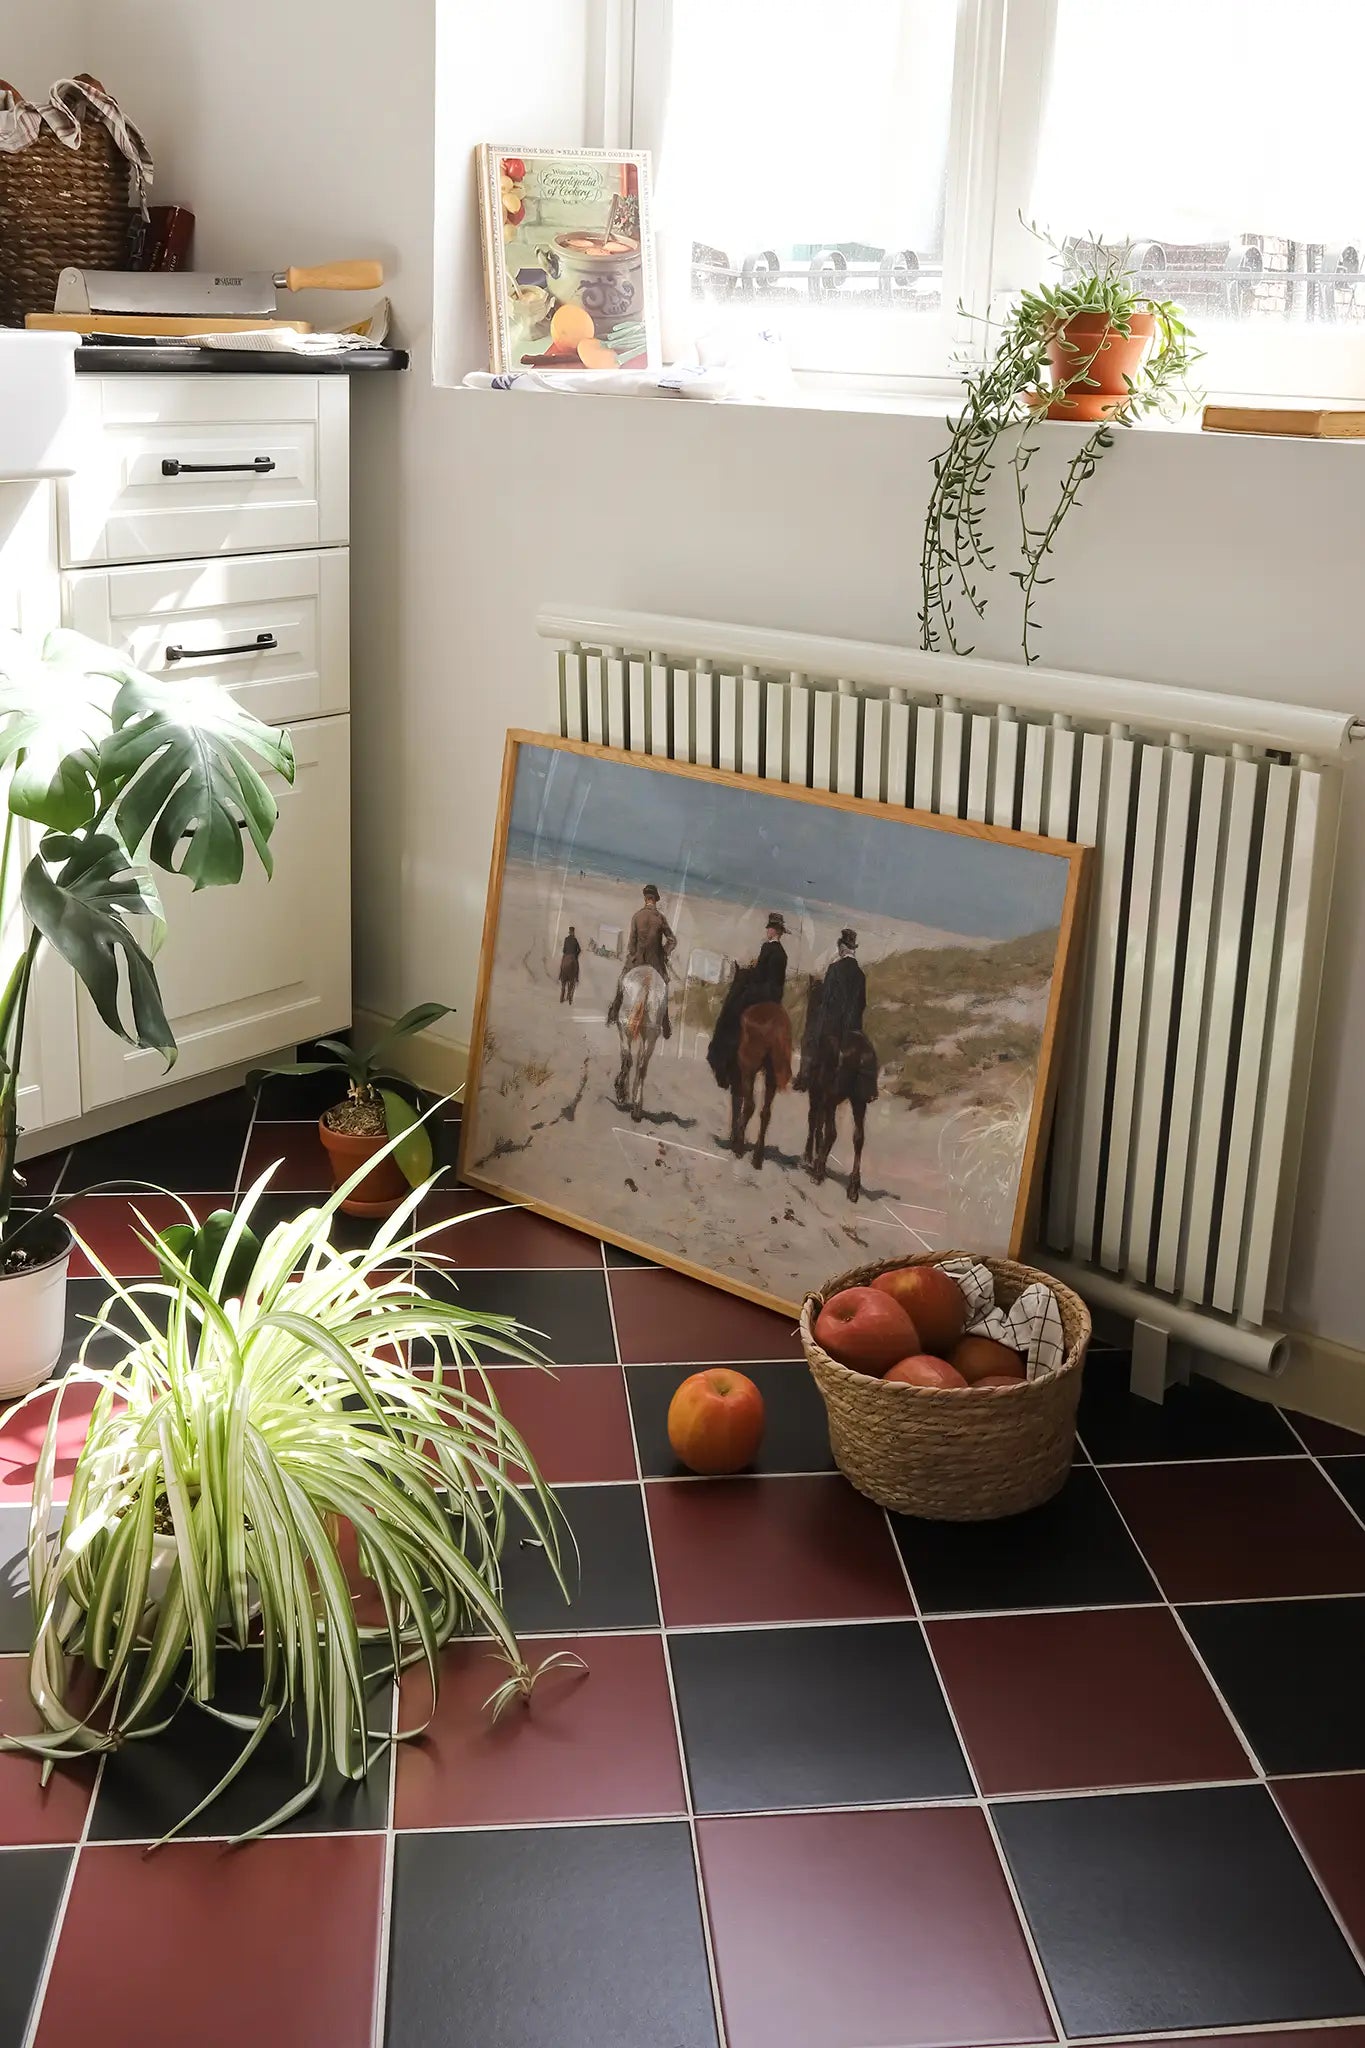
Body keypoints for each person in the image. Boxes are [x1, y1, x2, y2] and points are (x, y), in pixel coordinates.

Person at [707, 912, 789, 1089]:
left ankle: (724, 1053)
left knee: (732, 1007)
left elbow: (760, 975)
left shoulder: (767, 948)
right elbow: (777, 980)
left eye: (769, 928)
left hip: (761, 993)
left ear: (774, 931)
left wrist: (750, 970)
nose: (767, 931)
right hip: (775, 998)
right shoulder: (782, 953)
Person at [606, 884, 677, 1038]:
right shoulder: (660, 918)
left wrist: (633, 954)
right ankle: (665, 1024)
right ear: (655, 900)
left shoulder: (637, 916)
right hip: (655, 963)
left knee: (621, 981)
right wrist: (663, 953)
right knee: (664, 988)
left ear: (645, 899)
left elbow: (631, 943)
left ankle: (613, 1012)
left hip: (637, 960)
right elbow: (672, 941)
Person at [815, 928, 867, 1042]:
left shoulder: (834, 968)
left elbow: (826, 998)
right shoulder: (861, 974)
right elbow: (862, 1003)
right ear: (853, 949)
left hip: (835, 1028)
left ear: (842, 947)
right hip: (855, 1027)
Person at [558, 924, 581, 1005]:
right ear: (573, 932)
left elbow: (564, 949)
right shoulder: (575, 940)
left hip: (567, 955)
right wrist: (575, 955)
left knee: (562, 963)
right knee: (577, 966)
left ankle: (561, 997)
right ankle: (576, 978)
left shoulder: (566, 939)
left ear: (569, 932)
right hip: (573, 956)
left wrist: (566, 953)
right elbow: (579, 950)